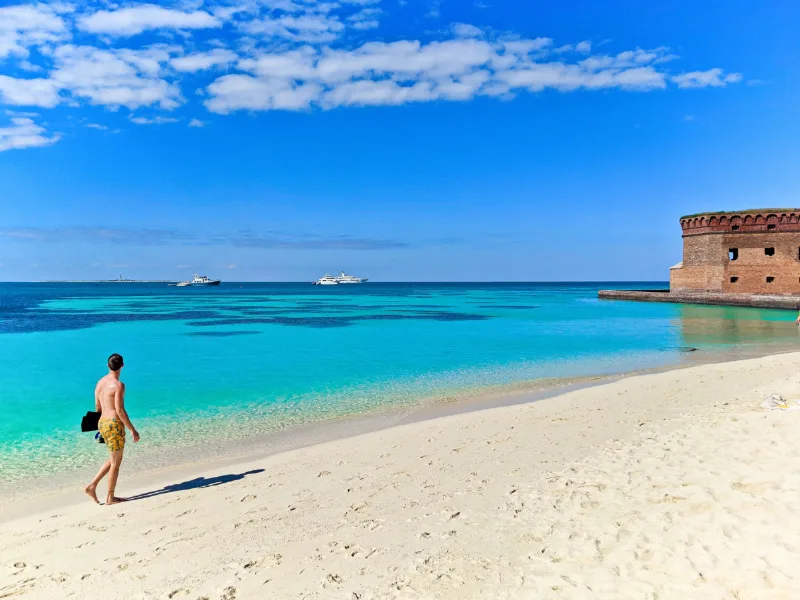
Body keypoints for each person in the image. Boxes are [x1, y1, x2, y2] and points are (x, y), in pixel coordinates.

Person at [84, 353, 140, 505]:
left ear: (108, 366)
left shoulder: (100, 383)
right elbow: (120, 410)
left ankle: (92, 486)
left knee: (113, 458)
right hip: (114, 424)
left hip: (102, 422)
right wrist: (132, 429)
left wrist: (99, 427)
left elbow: (97, 406)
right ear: (122, 366)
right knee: (116, 462)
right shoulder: (118, 385)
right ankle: (110, 497)